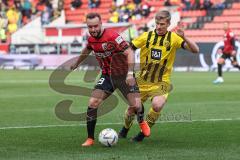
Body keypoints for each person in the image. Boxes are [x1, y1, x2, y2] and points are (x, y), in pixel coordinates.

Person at [70, 12, 150, 146]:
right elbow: (86, 50)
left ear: (101, 23)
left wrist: (130, 73)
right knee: (93, 102)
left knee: (136, 105)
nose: (93, 29)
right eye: (90, 27)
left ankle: (141, 121)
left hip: (124, 75)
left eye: (95, 26)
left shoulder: (113, 36)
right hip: (107, 76)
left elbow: (130, 52)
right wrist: (77, 63)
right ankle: (90, 138)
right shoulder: (91, 39)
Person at [118, 10, 199, 141]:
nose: (159, 26)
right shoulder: (146, 36)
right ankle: (124, 130)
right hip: (142, 80)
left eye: (162, 24)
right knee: (131, 109)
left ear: (168, 24)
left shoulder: (174, 38)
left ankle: (142, 134)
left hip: (161, 82)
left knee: (157, 105)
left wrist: (185, 37)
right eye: (157, 23)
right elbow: (129, 50)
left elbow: (195, 50)